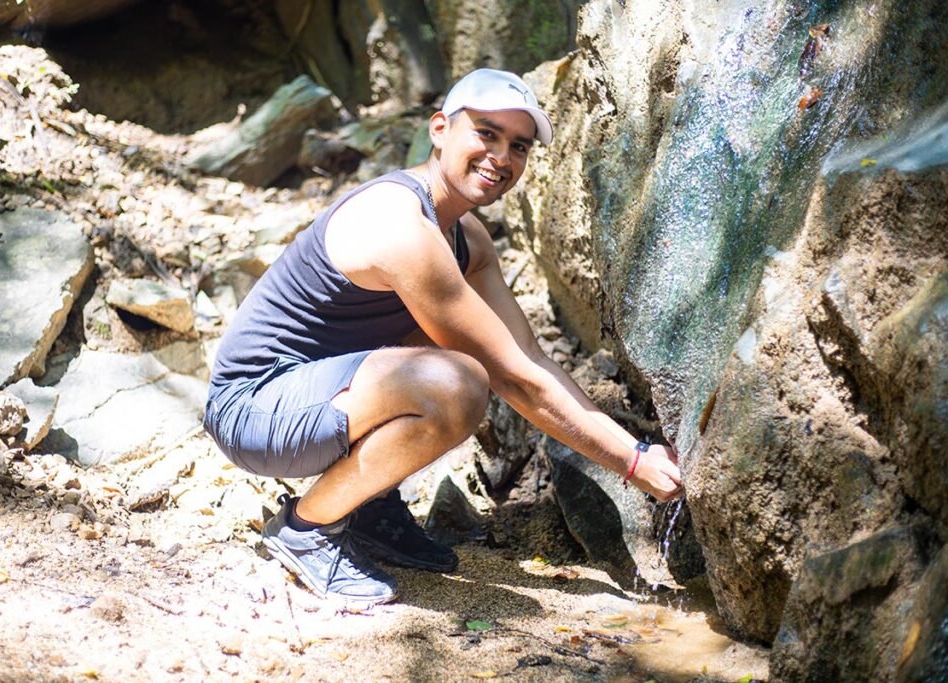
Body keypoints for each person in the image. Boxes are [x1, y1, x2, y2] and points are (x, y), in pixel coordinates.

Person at [203, 68, 683, 607]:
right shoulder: (400, 222)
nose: (501, 156)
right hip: (255, 411)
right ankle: (307, 527)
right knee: (455, 383)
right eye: (486, 132)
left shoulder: (466, 237)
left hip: (322, 396)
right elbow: (508, 376)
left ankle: (367, 505)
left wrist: (632, 449)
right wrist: (633, 461)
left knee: (450, 350)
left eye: (518, 146)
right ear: (439, 129)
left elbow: (523, 352)